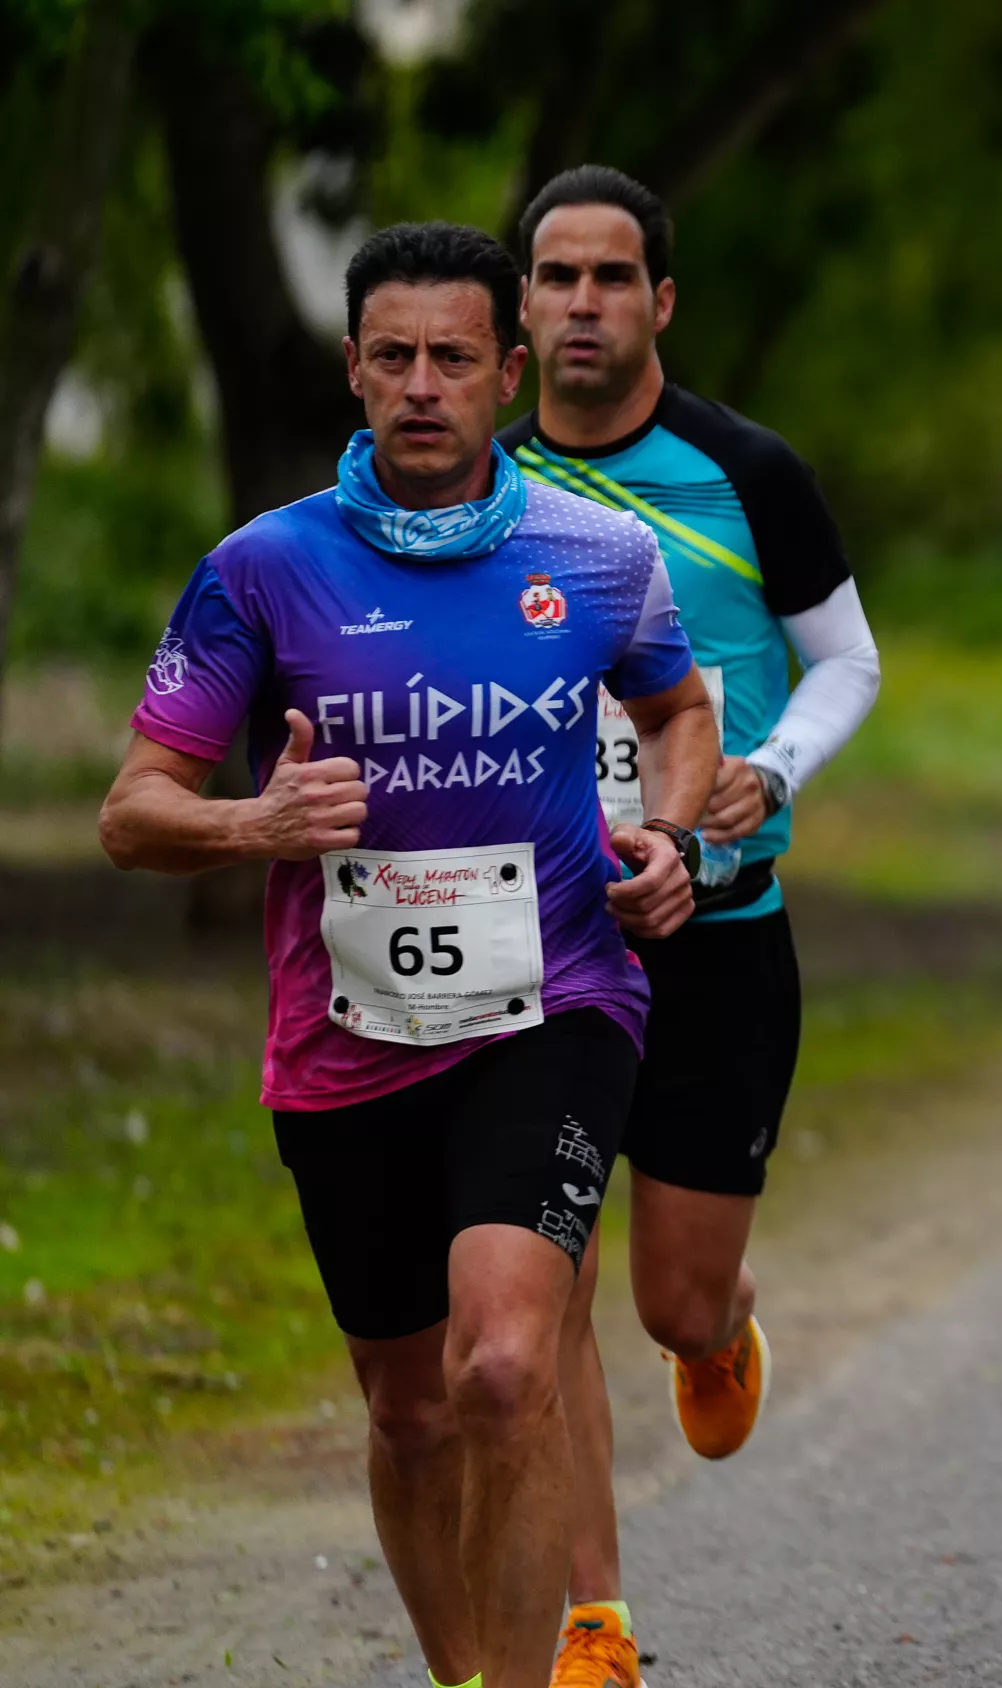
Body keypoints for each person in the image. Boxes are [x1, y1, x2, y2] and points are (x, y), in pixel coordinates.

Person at [97, 222, 716, 1688]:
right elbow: (132, 812)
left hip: (556, 1005)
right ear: (354, 370)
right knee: (410, 1412)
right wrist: (258, 823)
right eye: (394, 356)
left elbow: (679, 714)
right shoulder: (261, 571)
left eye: (454, 357)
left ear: (508, 372)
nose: (423, 385)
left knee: (503, 1367)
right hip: (345, 1046)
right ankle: (464, 1673)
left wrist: (673, 841)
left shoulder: (602, 554)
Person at [496, 165, 883, 1688]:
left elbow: (848, 662)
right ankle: (597, 1618)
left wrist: (767, 764)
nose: (584, 302)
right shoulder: (485, 488)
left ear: (662, 301)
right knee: (550, 1281)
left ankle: (720, 1332)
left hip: (724, 939)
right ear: (520, 311)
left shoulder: (748, 473)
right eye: (556, 278)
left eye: (612, 277)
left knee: (666, 1298)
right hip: (547, 945)